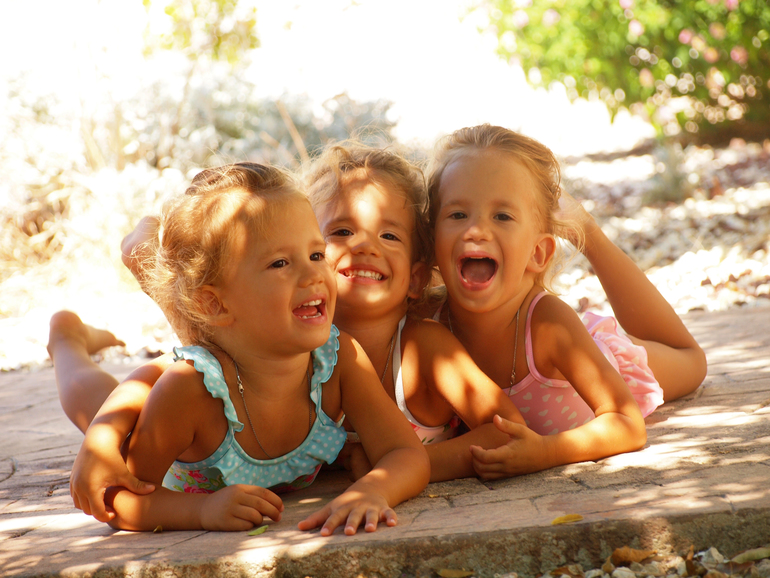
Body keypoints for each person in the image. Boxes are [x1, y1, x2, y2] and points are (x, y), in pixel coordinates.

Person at [50, 162, 429, 534]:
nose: (314, 273)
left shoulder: (338, 359)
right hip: (173, 414)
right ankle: (67, 340)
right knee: (93, 402)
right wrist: (201, 510)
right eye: (280, 262)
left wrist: (374, 489)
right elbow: (118, 498)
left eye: (316, 255)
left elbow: (405, 453)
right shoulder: (189, 391)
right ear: (215, 304)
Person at [424, 124, 708, 480]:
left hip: (602, 360)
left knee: (692, 362)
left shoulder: (550, 324)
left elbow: (627, 424)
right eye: (457, 215)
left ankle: (586, 231)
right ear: (432, 239)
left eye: (502, 216)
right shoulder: (427, 320)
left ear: (538, 252)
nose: (476, 229)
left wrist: (547, 452)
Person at [303, 143, 526, 481]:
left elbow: (507, 432)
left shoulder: (422, 351)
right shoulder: (293, 352)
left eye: (389, 235)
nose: (365, 245)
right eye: (342, 231)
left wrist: (400, 467)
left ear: (416, 278)